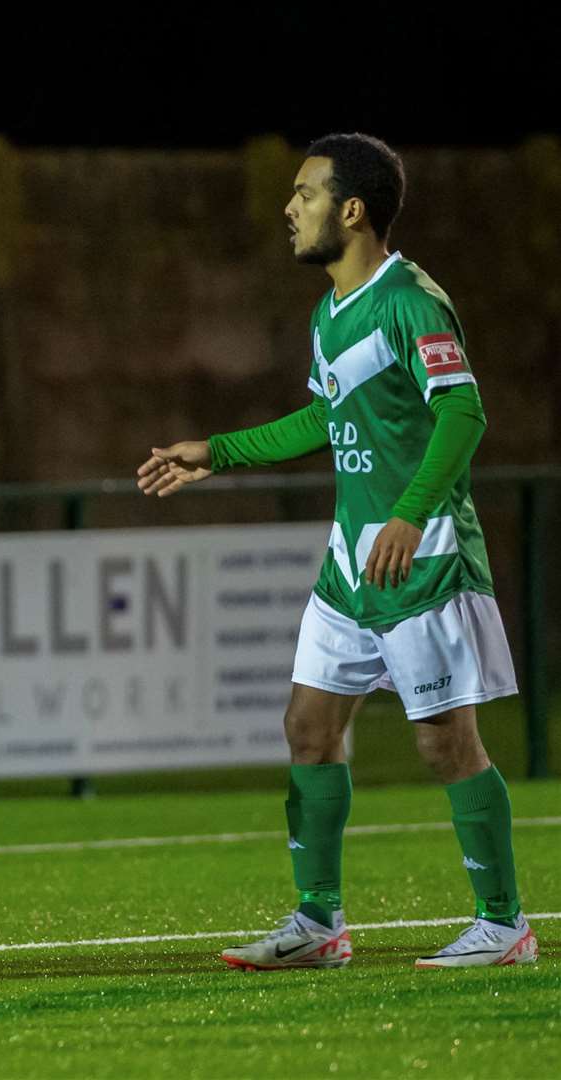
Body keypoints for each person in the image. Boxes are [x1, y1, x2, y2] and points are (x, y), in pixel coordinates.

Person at [138, 133, 534, 970]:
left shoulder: (411, 301)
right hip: (351, 560)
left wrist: (407, 513)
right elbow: (325, 419)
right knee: (308, 728)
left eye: (306, 194)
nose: (290, 208)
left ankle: (504, 925)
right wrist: (217, 450)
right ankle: (320, 924)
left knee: (445, 744)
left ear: (352, 211)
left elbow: (464, 415)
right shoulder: (330, 313)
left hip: (419, 554)